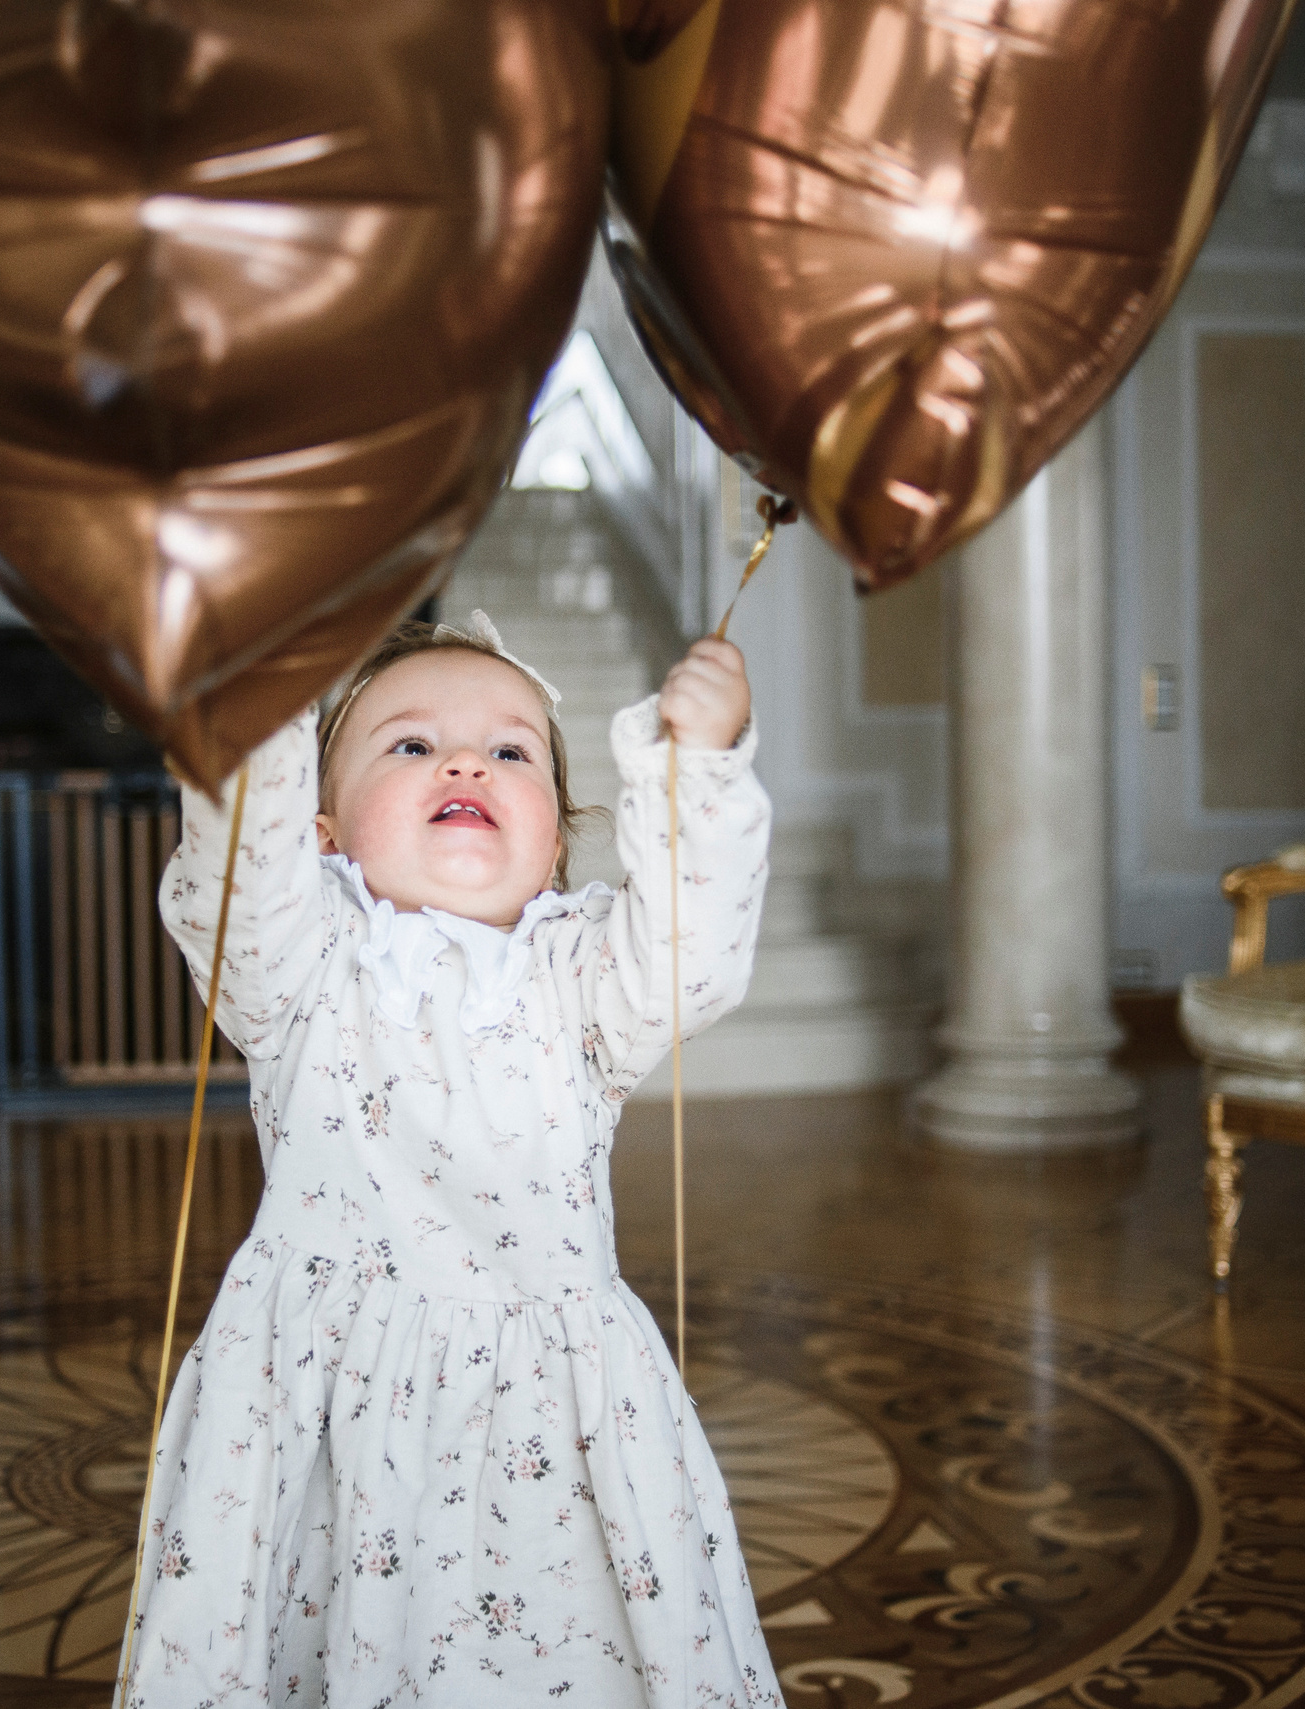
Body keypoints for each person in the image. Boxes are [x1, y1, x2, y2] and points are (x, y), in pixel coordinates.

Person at [139, 614, 776, 1705]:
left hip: (547, 1409)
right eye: (410, 744)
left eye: (511, 751)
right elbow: (238, 873)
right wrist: (256, 714)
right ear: (323, 830)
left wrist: (702, 768)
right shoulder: (301, 966)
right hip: (324, 1394)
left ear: (559, 847)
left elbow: (695, 954)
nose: (465, 761)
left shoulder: (582, 977)